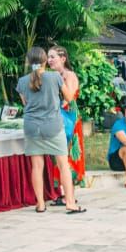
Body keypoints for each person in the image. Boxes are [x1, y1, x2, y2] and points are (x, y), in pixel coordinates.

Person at [16, 47, 81, 213]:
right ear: (45, 61)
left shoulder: (22, 81)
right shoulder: (54, 77)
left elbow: (25, 103)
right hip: (52, 125)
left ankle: (40, 204)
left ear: (28, 62)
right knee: (63, 164)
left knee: (37, 166)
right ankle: (70, 203)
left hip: (31, 127)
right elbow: (68, 97)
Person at [45, 45, 86, 191]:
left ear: (63, 59)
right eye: (48, 57)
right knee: (60, 156)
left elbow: (68, 98)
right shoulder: (55, 76)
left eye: (52, 57)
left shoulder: (69, 75)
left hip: (69, 118)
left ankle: (69, 194)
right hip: (59, 118)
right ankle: (62, 192)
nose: (49, 60)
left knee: (68, 154)